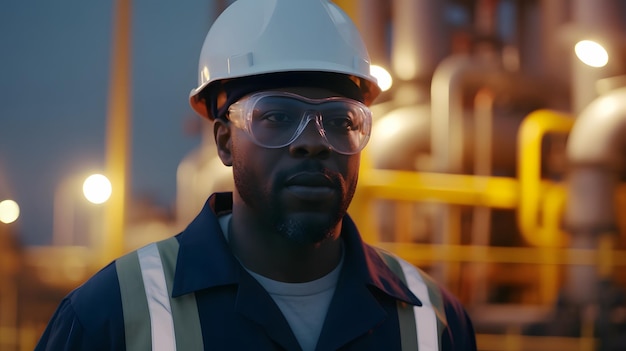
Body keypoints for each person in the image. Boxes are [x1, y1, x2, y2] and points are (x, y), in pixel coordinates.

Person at [36, 0, 477, 350]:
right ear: (225, 142)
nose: (314, 141)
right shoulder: (111, 317)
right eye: (278, 116)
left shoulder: (433, 323)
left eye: (341, 121)